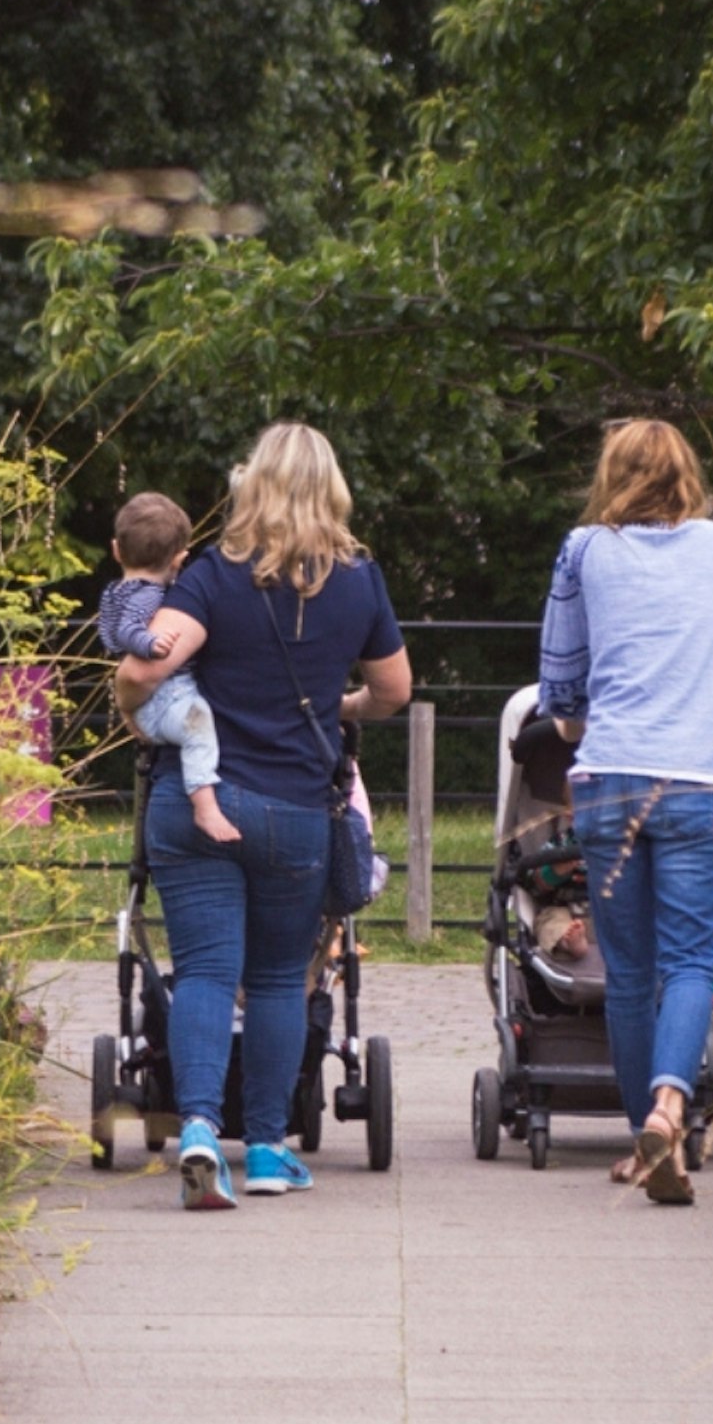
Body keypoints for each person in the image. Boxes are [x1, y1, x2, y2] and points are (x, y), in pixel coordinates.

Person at [113, 423, 410, 1210]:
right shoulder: (359, 581)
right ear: (333, 489)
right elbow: (393, 692)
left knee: (207, 971)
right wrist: (340, 704)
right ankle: (272, 1151)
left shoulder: (212, 574)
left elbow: (145, 664)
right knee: (280, 978)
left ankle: (204, 1132)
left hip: (197, 804)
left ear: (251, 485)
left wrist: (133, 708)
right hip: (295, 811)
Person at [534, 420, 713, 1206]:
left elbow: (561, 683)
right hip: (700, 779)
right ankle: (673, 1103)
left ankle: (645, 1137)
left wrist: (575, 717)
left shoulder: (585, 549)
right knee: (691, 959)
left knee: (629, 973)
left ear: (613, 474)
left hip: (611, 780)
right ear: (687, 475)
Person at [96, 491, 237, 847]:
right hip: (169, 693)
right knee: (198, 724)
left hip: (151, 701)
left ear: (116, 550)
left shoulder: (116, 590)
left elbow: (109, 632)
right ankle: (204, 805)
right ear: (180, 559)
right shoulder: (148, 594)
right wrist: (149, 644)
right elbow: (128, 631)